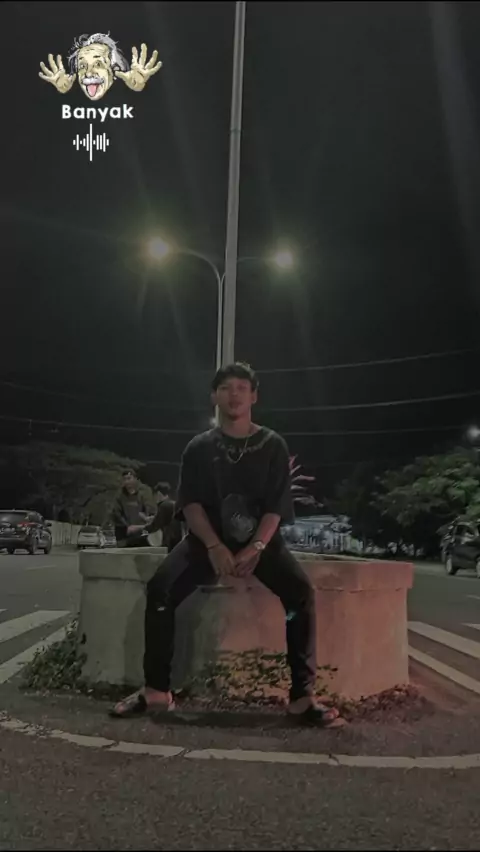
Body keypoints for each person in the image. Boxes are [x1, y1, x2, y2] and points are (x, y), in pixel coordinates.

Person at [111, 362, 339, 726]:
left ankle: (302, 697)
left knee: (300, 594)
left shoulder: (272, 445)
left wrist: (256, 548)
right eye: (226, 388)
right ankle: (156, 690)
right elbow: (191, 504)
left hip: (261, 544)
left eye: (241, 388)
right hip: (206, 542)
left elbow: (276, 506)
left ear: (254, 397)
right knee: (160, 590)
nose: (234, 395)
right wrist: (215, 547)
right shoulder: (199, 447)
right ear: (214, 397)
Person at [111, 469, 152, 548]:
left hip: (139, 533)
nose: (127, 481)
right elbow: (116, 514)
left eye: (129, 478)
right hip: (124, 533)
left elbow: (147, 512)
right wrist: (127, 526)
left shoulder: (142, 495)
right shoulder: (119, 496)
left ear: (135, 479)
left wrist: (144, 522)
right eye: (125, 479)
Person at [146, 482, 183, 552]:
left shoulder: (164, 505)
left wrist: (142, 529)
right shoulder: (174, 504)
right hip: (178, 538)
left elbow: (156, 525)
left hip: (169, 540)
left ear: (158, 494)